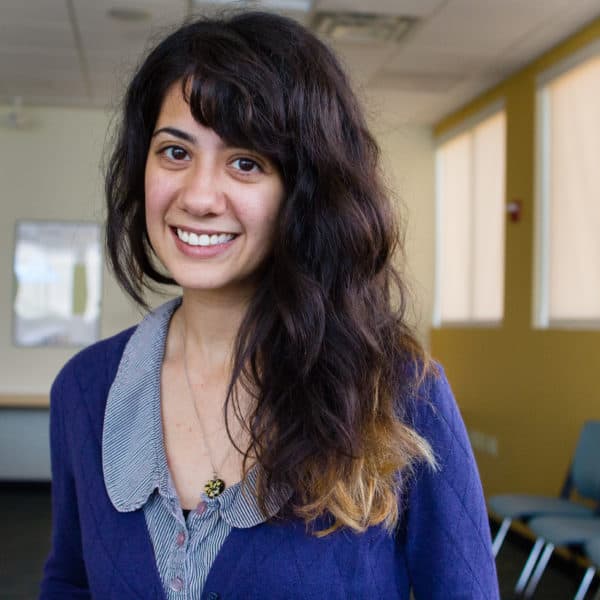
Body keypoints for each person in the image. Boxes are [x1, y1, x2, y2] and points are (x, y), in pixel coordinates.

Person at [40, 10, 499, 599]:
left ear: (304, 193)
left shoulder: (401, 395)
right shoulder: (85, 391)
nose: (200, 196)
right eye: (175, 153)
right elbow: (70, 580)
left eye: (246, 162)